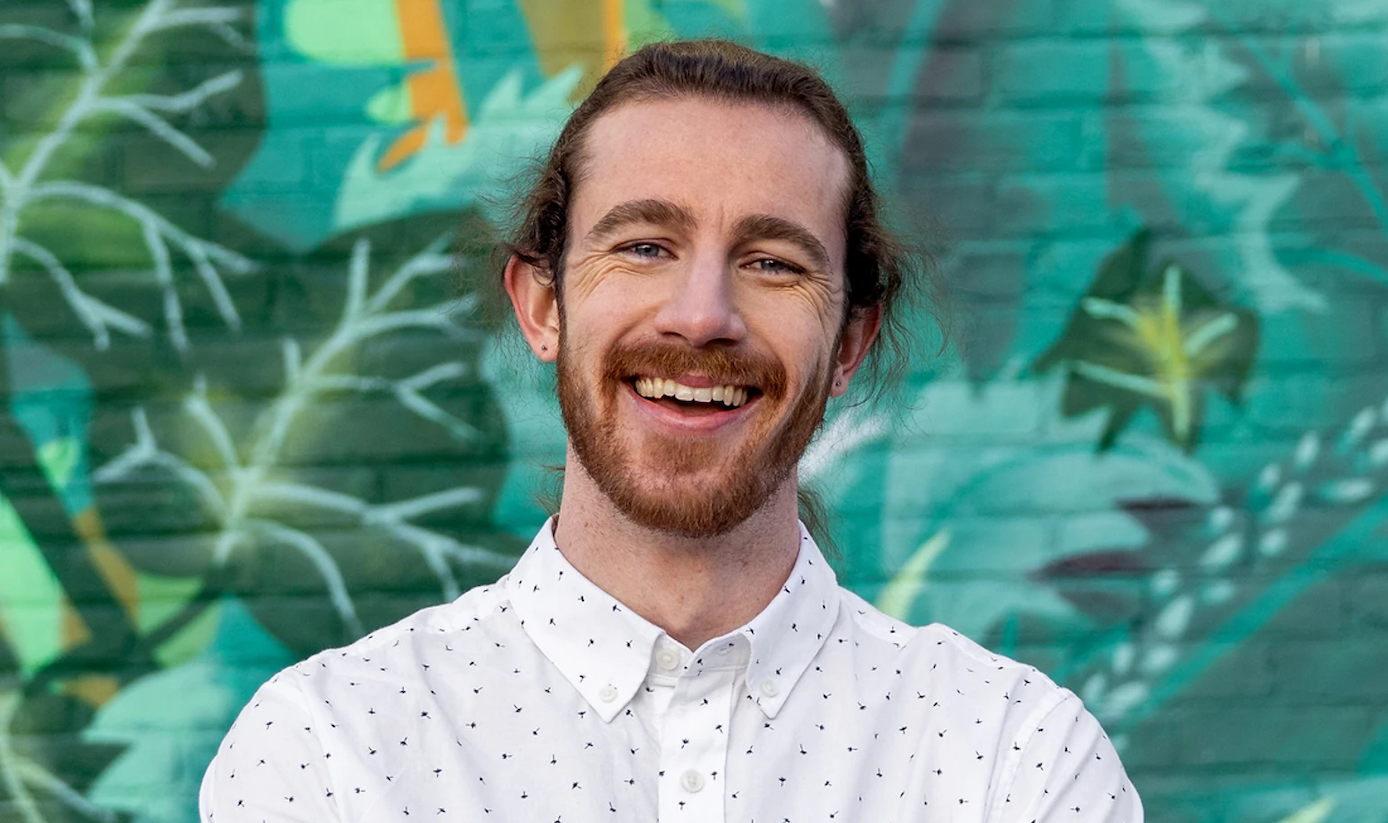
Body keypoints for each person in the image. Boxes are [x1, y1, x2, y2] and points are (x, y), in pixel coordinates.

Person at [199, 39, 1142, 822]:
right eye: (645, 246)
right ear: (541, 305)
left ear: (851, 338)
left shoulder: (1013, 760)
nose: (701, 316)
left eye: (772, 262)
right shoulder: (332, 752)